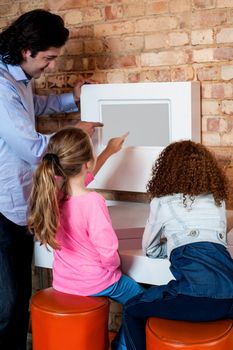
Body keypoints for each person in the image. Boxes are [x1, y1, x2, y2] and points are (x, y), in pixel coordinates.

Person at [0, 9, 102, 350]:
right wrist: (74, 133)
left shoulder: (19, 80)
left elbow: (37, 107)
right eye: (49, 58)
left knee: (18, 298)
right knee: (8, 305)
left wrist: (70, 100)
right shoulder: (1, 86)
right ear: (27, 50)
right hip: (2, 207)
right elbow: (32, 147)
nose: (53, 67)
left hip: (20, 204)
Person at [28, 127, 144, 350]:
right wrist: (115, 270)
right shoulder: (93, 202)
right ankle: (121, 346)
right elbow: (109, 252)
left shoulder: (56, 196)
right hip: (96, 282)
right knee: (142, 303)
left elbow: (83, 179)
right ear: (87, 163)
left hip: (64, 281)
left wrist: (110, 150)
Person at [123, 140, 233, 350]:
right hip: (230, 295)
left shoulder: (162, 202)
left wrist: (173, 246)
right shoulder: (217, 201)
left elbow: (150, 249)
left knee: (131, 309)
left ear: (167, 170)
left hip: (195, 297)